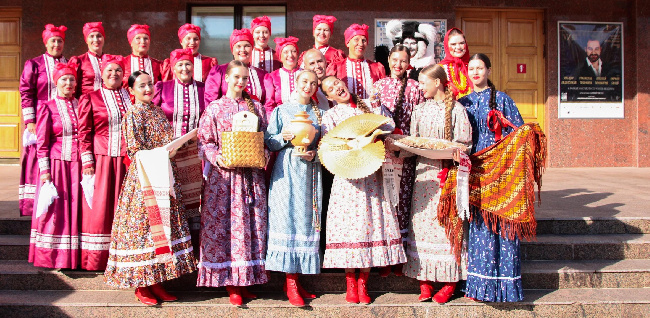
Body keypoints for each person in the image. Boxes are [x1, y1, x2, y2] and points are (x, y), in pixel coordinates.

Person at [104, 70, 197, 306]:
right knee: (145, 230)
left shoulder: (156, 111)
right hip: (145, 178)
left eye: (150, 85)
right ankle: (142, 285)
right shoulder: (133, 115)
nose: (148, 89)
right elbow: (135, 152)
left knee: (162, 229)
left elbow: (165, 142)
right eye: (142, 86)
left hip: (164, 174)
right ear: (132, 90)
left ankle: (157, 282)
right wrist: (165, 152)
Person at [320, 75, 406, 304]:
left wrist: (377, 126)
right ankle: (350, 282)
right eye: (331, 88)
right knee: (350, 228)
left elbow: (388, 127)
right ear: (328, 97)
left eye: (337, 83)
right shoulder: (330, 117)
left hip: (372, 175)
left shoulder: (368, 105)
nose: (337, 87)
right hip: (347, 178)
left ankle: (363, 284)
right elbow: (328, 146)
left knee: (370, 225)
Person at [395, 64, 471, 303]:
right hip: (423, 175)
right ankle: (425, 281)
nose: (421, 87)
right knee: (423, 225)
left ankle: (450, 282)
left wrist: (455, 153)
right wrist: (397, 146)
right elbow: (414, 143)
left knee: (448, 224)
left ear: (437, 82)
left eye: (424, 82)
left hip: (448, 174)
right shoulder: (419, 110)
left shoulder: (457, 110)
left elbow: (464, 143)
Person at [197, 60, 269, 307]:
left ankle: (246, 277)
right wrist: (219, 158)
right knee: (226, 226)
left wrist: (263, 156)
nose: (241, 82)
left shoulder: (256, 107)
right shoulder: (215, 108)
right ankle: (230, 282)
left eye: (245, 78)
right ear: (226, 78)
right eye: (236, 77)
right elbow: (204, 141)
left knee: (250, 226)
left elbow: (266, 140)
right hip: (224, 179)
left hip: (250, 177)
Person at [459, 53, 525, 302]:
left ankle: (506, 287)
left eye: (480, 67)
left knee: (502, 223)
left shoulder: (503, 100)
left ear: (488, 70)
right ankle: (478, 287)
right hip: (474, 170)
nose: (475, 72)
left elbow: (518, 134)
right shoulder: (462, 102)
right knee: (479, 228)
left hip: (499, 171)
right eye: (471, 68)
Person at [264, 70, 324, 307]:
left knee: (305, 220)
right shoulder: (281, 110)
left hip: (309, 173)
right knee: (287, 219)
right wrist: (284, 137)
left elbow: (327, 147)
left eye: (313, 83)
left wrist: (315, 157)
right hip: (286, 172)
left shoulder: (320, 114)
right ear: (296, 83)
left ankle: (297, 279)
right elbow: (269, 141)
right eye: (304, 82)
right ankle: (289, 282)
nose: (308, 87)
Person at [371, 44, 424, 277]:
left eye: (403, 61)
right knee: (385, 202)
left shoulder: (415, 87)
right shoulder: (378, 86)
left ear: (408, 63)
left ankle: (400, 257)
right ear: (388, 61)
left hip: (406, 152)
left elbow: (420, 117)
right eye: (395, 60)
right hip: (383, 152)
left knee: (402, 202)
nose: (398, 65)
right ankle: (385, 256)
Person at [77, 55, 132, 271]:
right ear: (102, 73)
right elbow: (84, 132)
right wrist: (87, 161)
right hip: (103, 160)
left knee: (125, 208)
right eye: (109, 70)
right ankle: (99, 258)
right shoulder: (91, 97)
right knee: (102, 208)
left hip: (127, 160)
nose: (114, 74)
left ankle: (124, 254)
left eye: (118, 70)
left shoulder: (130, 96)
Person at [29, 62, 82, 269]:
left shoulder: (81, 104)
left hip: (78, 166)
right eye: (64, 79)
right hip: (57, 165)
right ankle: (53, 257)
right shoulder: (47, 107)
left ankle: (73, 256)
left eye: (71, 79)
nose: (68, 83)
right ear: (56, 82)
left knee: (76, 210)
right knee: (56, 211)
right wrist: (45, 171)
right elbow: (42, 143)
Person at [153, 48, 206, 253]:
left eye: (188, 64)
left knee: (195, 199)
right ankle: (174, 245)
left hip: (196, 154)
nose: (185, 68)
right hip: (171, 154)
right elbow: (156, 118)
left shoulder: (203, 89)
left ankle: (194, 246)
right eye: (180, 65)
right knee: (174, 197)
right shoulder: (162, 88)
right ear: (173, 68)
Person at [19, 24, 68, 217]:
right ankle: (34, 205)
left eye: (60, 41)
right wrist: (29, 120)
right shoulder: (35, 64)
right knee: (37, 159)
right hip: (40, 117)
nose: (56, 44)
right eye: (53, 41)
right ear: (45, 42)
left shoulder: (70, 63)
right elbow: (26, 91)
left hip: (62, 117)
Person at [204, 29, 267, 105]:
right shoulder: (219, 71)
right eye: (238, 46)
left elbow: (267, 103)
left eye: (247, 46)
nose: (243, 50)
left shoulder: (262, 75)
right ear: (232, 50)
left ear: (252, 48)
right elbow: (210, 101)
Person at [326, 24, 386, 99]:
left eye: (363, 40)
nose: (360, 44)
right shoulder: (336, 67)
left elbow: (383, 93)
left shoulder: (376, 68)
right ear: (348, 43)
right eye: (356, 39)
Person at [263, 36, 300, 117]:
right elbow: (269, 105)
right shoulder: (272, 77)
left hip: (303, 118)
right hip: (281, 119)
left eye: (293, 51)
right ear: (280, 56)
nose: (290, 55)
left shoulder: (305, 74)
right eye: (286, 52)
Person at [69, 22, 106, 97]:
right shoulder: (79, 61)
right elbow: (71, 88)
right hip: (87, 103)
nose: (95, 40)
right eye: (91, 36)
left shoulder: (110, 60)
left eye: (99, 36)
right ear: (86, 40)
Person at [439, 28, 472, 99]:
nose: (458, 47)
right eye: (453, 44)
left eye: (462, 43)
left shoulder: (472, 66)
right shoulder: (441, 69)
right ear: (447, 46)